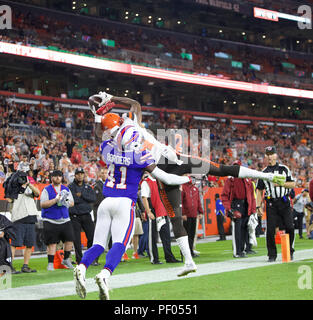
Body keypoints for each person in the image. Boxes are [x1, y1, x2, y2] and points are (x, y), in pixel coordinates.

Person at [88, 91, 286, 275]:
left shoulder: (128, 130)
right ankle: (189, 262)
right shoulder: (120, 136)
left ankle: (266, 176)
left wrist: (110, 101)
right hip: (165, 168)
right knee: (178, 215)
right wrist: (105, 108)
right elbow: (125, 115)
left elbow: (132, 107)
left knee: (219, 171)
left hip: (170, 164)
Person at [73, 115, 191, 300]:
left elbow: (101, 135)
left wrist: (97, 115)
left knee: (98, 244)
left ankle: (81, 267)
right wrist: (186, 178)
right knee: (120, 244)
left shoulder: (107, 148)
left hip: (106, 201)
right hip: (124, 203)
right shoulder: (142, 156)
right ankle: (104, 275)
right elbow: (166, 178)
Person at [256, 146, 296, 262]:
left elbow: (293, 184)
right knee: (270, 230)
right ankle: (272, 255)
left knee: (290, 227)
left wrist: (281, 184)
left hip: (284, 202)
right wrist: (258, 206)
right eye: (267, 154)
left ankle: (290, 250)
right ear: (265, 156)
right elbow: (259, 190)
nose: (269, 157)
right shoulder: (263, 173)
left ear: (275, 155)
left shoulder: (284, 169)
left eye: (271, 154)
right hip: (271, 204)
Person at [140, 173, 180, 264]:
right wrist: (148, 212)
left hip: (162, 210)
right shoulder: (146, 182)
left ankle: (169, 257)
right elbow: (144, 197)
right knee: (152, 236)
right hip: (153, 210)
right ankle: (154, 258)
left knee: (166, 236)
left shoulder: (160, 181)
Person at [40, 170, 75, 271]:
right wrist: (55, 200)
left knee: (69, 239)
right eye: (55, 176)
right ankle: (50, 263)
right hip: (50, 219)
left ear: (62, 177)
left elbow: (72, 203)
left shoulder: (66, 189)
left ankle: (66, 259)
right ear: (52, 178)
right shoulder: (46, 189)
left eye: (59, 176)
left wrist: (65, 201)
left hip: (64, 218)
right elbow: (43, 204)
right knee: (52, 243)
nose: (57, 178)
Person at [222, 160, 257, 258]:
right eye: (234, 167)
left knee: (245, 229)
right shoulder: (231, 180)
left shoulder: (246, 179)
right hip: (236, 204)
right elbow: (224, 195)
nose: (236, 169)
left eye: (237, 167)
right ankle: (237, 251)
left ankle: (242, 249)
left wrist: (253, 209)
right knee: (237, 229)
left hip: (246, 205)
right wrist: (229, 209)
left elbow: (251, 196)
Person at [9, 170, 40, 273]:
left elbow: (37, 193)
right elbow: (10, 199)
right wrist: (20, 186)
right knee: (14, 243)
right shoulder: (13, 188)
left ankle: (25, 266)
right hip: (19, 217)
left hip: (31, 216)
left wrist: (29, 184)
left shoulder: (29, 187)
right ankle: (9, 266)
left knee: (29, 244)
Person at [68, 168, 97, 265]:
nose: (80, 176)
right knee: (76, 239)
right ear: (75, 175)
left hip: (86, 215)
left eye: (81, 174)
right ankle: (79, 260)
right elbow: (72, 200)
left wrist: (82, 196)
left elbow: (93, 199)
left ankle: (90, 258)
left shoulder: (87, 187)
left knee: (92, 236)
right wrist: (83, 199)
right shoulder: (70, 187)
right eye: (78, 174)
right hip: (75, 216)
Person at [181, 176, 204, 257]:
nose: (194, 181)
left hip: (194, 214)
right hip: (187, 215)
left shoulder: (195, 189)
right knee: (186, 235)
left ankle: (191, 251)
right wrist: (183, 213)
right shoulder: (183, 188)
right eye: (192, 179)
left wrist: (200, 212)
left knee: (192, 234)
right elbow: (181, 202)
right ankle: (185, 252)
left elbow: (198, 201)